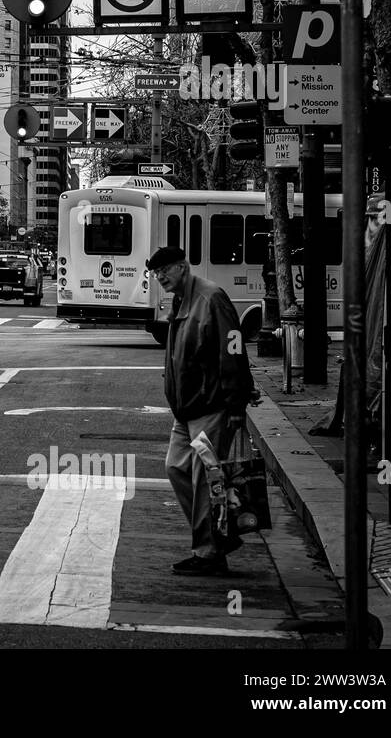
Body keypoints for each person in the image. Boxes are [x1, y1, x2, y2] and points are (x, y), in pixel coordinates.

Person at [146, 245, 255, 576]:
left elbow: (233, 350)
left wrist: (236, 406)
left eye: (165, 270)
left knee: (205, 480)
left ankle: (209, 551)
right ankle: (220, 537)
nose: (160, 276)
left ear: (182, 267)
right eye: (155, 272)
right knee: (176, 468)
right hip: (186, 411)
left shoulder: (210, 298)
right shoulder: (180, 300)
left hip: (210, 406)